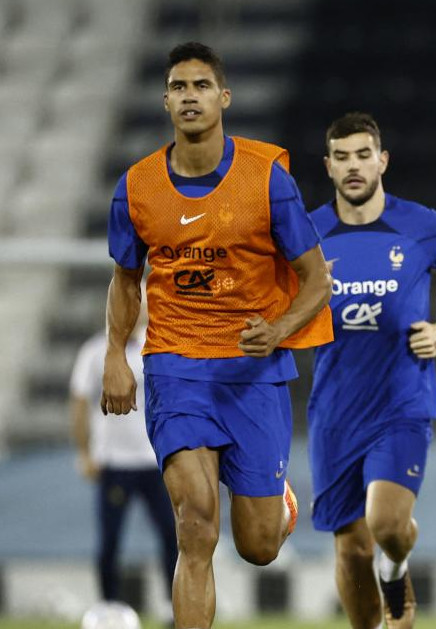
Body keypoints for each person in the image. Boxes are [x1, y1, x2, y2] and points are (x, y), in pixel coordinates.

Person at [101, 42, 333, 629]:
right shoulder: (137, 187)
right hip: (176, 365)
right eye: (178, 87)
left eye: (201, 86)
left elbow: (315, 280)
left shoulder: (267, 179)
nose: (189, 97)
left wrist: (279, 328)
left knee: (258, 547)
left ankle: (276, 503)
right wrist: (115, 355)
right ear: (165, 101)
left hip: (253, 374)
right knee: (196, 522)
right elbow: (126, 279)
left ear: (223, 97)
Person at [307, 112, 436, 629]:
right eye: (342, 158)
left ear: (382, 160)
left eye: (363, 155)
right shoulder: (310, 233)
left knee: (385, 524)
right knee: (351, 549)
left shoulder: (424, 227)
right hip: (336, 410)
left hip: (401, 404)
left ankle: (398, 562)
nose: (354, 166)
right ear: (328, 166)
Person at [71, 305, 178, 613]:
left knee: (172, 534)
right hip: (115, 462)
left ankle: (173, 607)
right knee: (110, 540)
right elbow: (79, 402)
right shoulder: (94, 352)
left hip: (155, 460)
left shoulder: (156, 346)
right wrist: (84, 452)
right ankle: (109, 608)